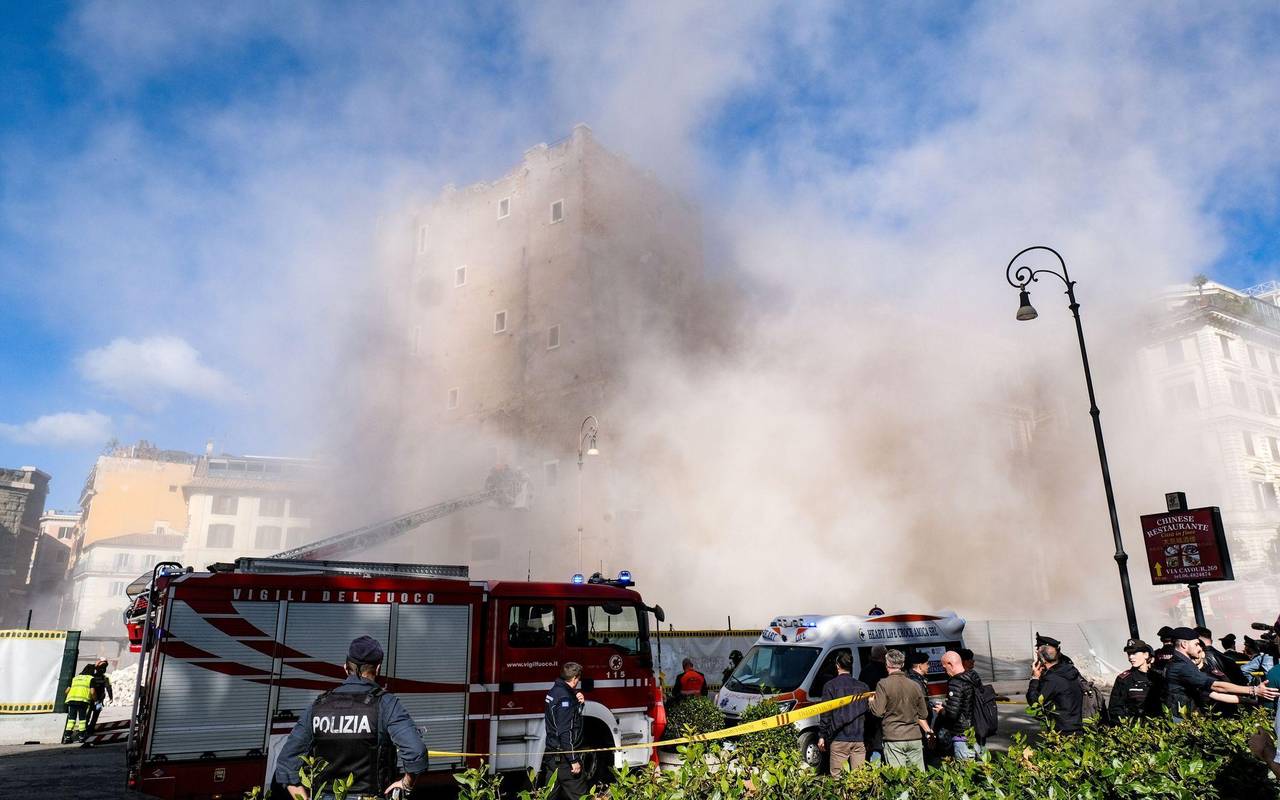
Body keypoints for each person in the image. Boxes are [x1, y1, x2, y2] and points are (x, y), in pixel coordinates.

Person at [275, 636, 427, 800]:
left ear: (345, 668)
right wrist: (406, 784)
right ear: (378, 668)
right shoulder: (386, 704)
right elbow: (416, 752)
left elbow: (285, 764)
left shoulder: (318, 705)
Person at [1162, 627, 1277, 720]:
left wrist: (1252, 701)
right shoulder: (1181, 666)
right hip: (1182, 719)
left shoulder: (1184, 664)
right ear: (1184, 645)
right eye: (1196, 644)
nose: (1199, 648)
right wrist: (1254, 690)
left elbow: (1213, 694)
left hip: (1188, 717)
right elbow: (1216, 686)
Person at [868, 649, 930, 770]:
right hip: (914, 737)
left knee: (899, 780)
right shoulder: (915, 685)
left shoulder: (883, 684)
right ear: (902, 665)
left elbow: (878, 712)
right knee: (918, 779)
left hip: (894, 737)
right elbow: (923, 713)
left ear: (887, 665)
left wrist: (871, 702)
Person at [816, 651, 870, 776]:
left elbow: (826, 714)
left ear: (837, 665)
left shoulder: (829, 686)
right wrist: (868, 738)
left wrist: (822, 735)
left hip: (838, 738)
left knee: (837, 779)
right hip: (858, 738)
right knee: (859, 779)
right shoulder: (863, 687)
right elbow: (868, 714)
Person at [542, 661, 588, 800]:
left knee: (549, 796)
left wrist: (579, 703)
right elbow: (565, 731)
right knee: (581, 796)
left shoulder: (555, 691)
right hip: (564, 759)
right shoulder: (565, 698)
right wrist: (573, 759)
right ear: (575, 679)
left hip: (552, 755)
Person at [1025, 634, 1084, 735]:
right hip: (1078, 727)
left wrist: (1035, 678)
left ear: (1040, 656)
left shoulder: (1052, 679)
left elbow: (1034, 702)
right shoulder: (1070, 670)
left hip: (1063, 733)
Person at [931, 651, 984, 760]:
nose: (945, 671)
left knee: (965, 773)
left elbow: (952, 714)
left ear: (950, 664)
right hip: (978, 731)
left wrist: (941, 710)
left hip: (962, 735)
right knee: (981, 771)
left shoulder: (956, 682)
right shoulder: (973, 677)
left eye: (944, 667)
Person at [1109, 640, 1161, 722]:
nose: (1130, 657)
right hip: (1133, 729)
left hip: (1156, 729)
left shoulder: (1158, 678)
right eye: (1129, 654)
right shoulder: (1124, 679)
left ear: (1146, 655)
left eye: (1134, 653)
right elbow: (1115, 708)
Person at [859, 645, 889, 762]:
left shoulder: (865, 671)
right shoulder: (885, 671)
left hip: (870, 715)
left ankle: (874, 774)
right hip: (885, 715)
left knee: (875, 747)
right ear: (883, 656)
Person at [62, 664, 97, 744]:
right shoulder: (91, 679)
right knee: (82, 719)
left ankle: (67, 737)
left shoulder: (75, 678)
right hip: (83, 701)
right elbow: (93, 692)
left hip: (71, 700)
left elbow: (66, 691)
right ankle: (81, 737)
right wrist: (95, 699)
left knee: (71, 720)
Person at [84, 658, 113, 744]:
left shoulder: (92, 677)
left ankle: (85, 728)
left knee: (88, 714)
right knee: (94, 715)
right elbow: (109, 688)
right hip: (99, 700)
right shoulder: (104, 678)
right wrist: (111, 697)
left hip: (92, 699)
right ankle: (90, 729)